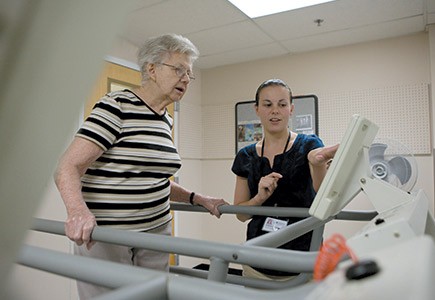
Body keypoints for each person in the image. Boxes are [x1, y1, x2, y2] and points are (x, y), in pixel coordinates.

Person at [54, 33, 227, 299]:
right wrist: (77, 211)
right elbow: (68, 166)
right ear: (152, 69)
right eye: (179, 69)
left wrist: (196, 198)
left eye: (189, 74)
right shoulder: (116, 106)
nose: (185, 79)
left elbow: (152, 178)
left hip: (155, 233)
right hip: (109, 235)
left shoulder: (165, 119)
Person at [231, 78, 338, 280]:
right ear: (257, 109)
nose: (275, 111)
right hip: (258, 257)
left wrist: (317, 164)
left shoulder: (310, 145)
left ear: (291, 109)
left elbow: (322, 195)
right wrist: (259, 199)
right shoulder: (245, 156)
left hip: (303, 258)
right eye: (267, 104)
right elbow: (241, 214)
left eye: (282, 104)